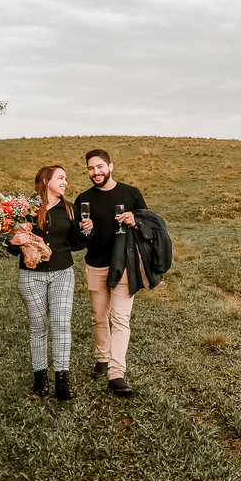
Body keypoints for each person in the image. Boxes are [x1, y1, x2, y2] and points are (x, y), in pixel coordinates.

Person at [8, 164, 84, 401]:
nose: (66, 182)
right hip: (31, 275)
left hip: (63, 272)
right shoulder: (25, 209)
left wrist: (85, 232)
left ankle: (62, 379)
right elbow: (10, 249)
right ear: (46, 180)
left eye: (66, 179)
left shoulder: (70, 209)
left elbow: (77, 243)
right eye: (61, 178)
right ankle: (40, 377)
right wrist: (14, 240)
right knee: (38, 327)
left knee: (61, 324)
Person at [75, 149, 147, 396]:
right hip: (95, 264)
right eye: (91, 169)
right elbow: (78, 239)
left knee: (120, 319)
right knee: (98, 316)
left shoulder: (130, 193)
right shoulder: (83, 199)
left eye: (99, 167)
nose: (95, 172)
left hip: (124, 264)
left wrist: (134, 220)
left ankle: (116, 373)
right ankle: (102, 358)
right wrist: (86, 230)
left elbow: (148, 226)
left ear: (110, 166)